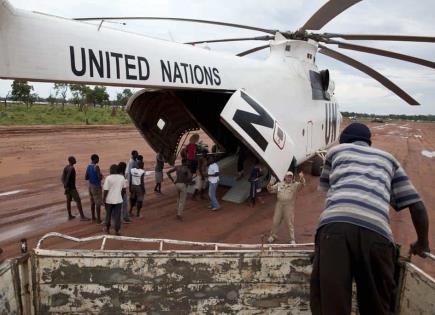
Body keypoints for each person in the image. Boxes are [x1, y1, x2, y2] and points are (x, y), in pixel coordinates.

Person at [310, 123, 430, 315]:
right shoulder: (388, 159)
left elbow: (329, 191)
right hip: (377, 234)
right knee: (377, 305)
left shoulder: (336, 151)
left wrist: (322, 249)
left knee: (331, 305)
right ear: (369, 142)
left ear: (344, 140)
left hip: (335, 228)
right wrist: (422, 243)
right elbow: (417, 206)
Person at [267, 171, 305, 244]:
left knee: (289, 223)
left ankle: (292, 239)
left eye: (290, 176)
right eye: (288, 176)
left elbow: (303, 185)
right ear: (285, 177)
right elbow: (270, 190)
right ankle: (272, 236)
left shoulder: (295, 185)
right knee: (275, 221)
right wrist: (270, 183)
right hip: (279, 205)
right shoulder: (279, 184)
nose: (289, 178)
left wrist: (302, 178)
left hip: (289, 206)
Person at [61, 156, 90, 221]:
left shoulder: (66, 167)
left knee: (68, 201)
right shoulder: (71, 168)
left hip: (67, 188)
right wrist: (67, 186)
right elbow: (68, 178)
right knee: (78, 201)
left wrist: (65, 186)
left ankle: (69, 215)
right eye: (74, 159)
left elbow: (62, 178)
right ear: (71, 160)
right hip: (72, 188)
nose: (75, 160)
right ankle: (82, 217)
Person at [103, 164, 126, 236]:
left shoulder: (108, 178)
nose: (109, 170)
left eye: (110, 169)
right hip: (118, 200)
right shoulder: (122, 178)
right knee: (117, 216)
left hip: (109, 200)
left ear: (113, 170)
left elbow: (106, 190)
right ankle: (117, 230)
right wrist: (120, 196)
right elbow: (124, 190)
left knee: (108, 215)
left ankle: (107, 229)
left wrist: (104, 199)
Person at [85, 154, 103, 223]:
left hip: (90, 185)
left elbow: (86, 177)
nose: (98, 160)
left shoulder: (89, 166)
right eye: (98, 159)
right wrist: (101, 176)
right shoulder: (96, 167)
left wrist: (91, 176)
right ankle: (98, 219)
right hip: (96, 186)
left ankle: (93, 217)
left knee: (92, 202)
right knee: (98, 203)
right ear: (95, 159)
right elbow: (99, 178)